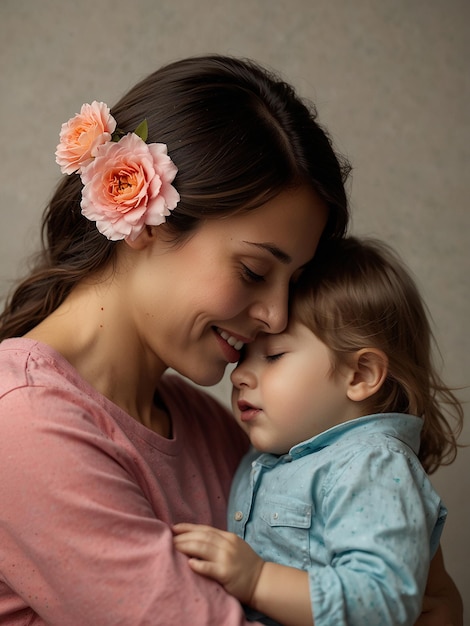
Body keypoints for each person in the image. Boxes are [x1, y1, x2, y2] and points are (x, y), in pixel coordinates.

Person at [0, 54, 462, 626]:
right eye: (252, 270)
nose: (275, 315)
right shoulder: (21, 422)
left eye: (293, 281)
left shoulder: (222, 432)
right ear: (145, 218)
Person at [173, 236, 464, 626]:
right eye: (244, 356)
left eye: (273, 356)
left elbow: (382, 602)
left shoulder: (371, 465)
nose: (239, 375)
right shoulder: (270, 457)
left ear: (360, 375)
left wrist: (257, 578)